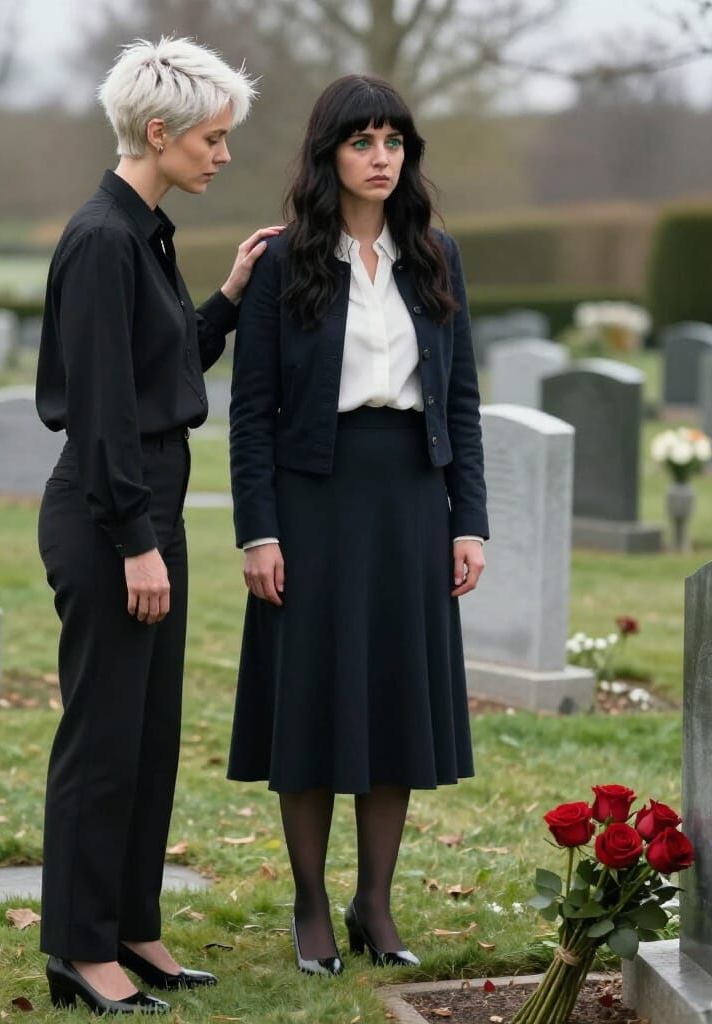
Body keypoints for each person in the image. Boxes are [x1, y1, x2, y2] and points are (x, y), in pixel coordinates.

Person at [36, 37, 279, 1015]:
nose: (222, 155)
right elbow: (99, 408)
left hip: (144, 507)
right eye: (213, 139)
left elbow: (161, 362)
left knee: (149, 734)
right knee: (103, 737)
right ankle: (79, 948)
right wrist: (136, 537)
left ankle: (134, 926)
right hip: (108, 516)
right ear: (157, 133)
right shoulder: (100, 239)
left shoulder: (146, 232)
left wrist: (224, 298)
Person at [227, 73, 489, 977]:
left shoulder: (435, 257)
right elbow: (250, 411)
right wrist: (257, 532)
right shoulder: (284, 262)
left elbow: (462, 399)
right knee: (310, 702)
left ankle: (373, 903)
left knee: (394, 704)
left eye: (394, 142)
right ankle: (308, 902)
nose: (381, 158)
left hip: (413, 498)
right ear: (328, 154)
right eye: (361, 142)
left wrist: (470, 523)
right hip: (312, 500)